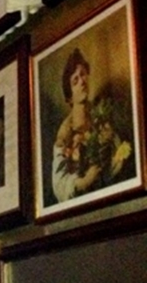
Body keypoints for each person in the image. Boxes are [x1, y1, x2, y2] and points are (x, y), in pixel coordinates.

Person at [52, 47, 132, 203]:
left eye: (83, 75)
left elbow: (117, 152)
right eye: (75, 81)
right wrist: (84, 181)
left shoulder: (99, 114)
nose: (82, 81)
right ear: (69, 97)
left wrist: (114, 144)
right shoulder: (65, 132)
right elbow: (59, 185)